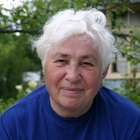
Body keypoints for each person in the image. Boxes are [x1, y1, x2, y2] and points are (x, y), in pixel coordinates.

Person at [0, 8, 140, 140]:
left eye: (87, 63)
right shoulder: (14, 126)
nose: (72, 76)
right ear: (44, 66)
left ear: (104, 71)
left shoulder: (129, 121)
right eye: (61, 61)